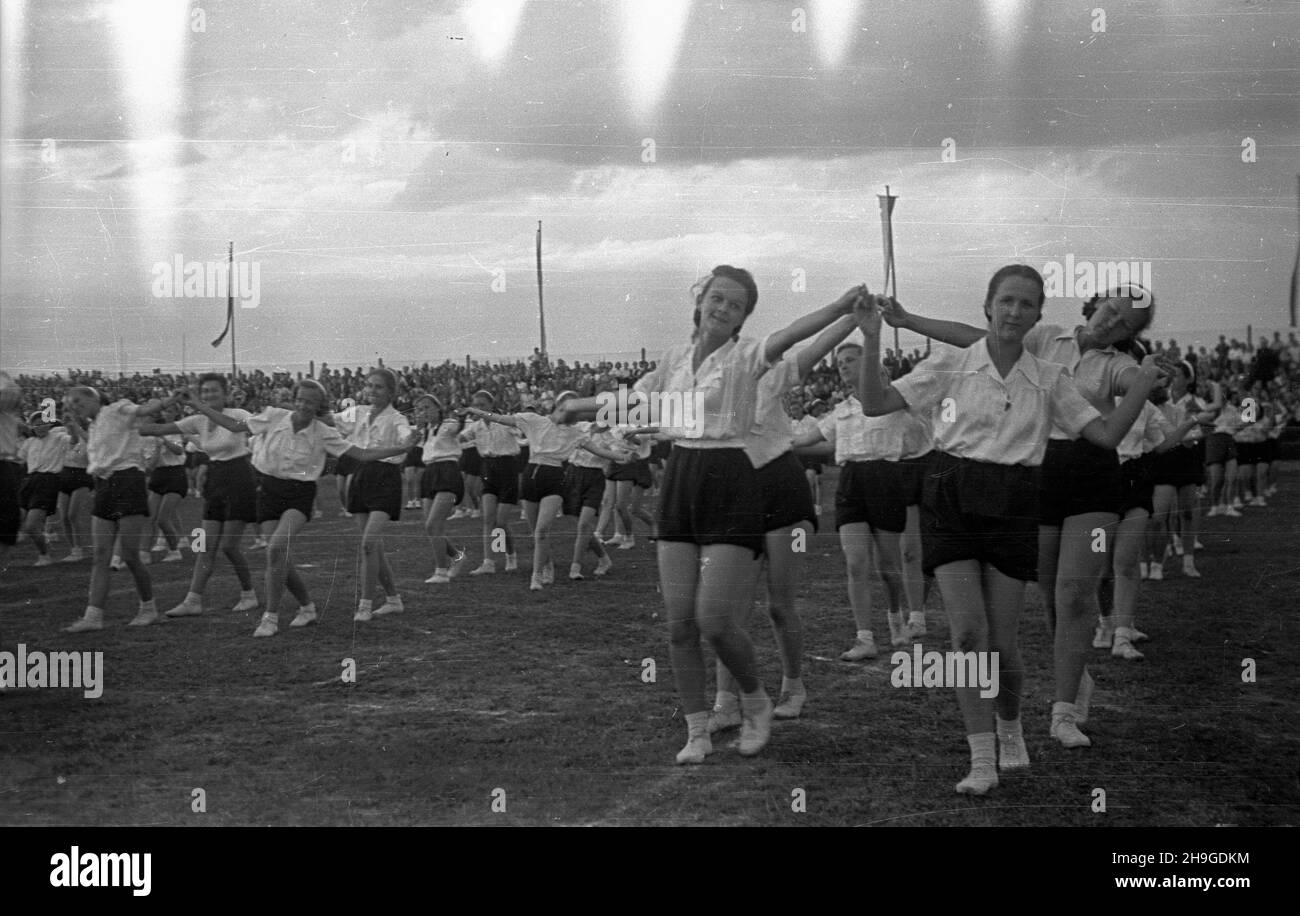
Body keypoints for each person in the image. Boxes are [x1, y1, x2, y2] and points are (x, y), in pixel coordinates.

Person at [859, 266, 1162, 793]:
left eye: (1026, 305)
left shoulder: (1049, 376)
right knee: (967, 634)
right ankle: (981, 759)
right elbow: (875, 403)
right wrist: (871, 336)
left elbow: (1109, 435)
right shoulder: (952, 364)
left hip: (1016, 500)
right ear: (989, 305)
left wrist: (1145, 381)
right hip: (950, 495)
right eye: (1006, 301)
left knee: (1000, 645)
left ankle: (1010, 725)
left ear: (1038, 315)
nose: (1014, 312)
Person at [563, 268, 866, 764]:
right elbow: (634, 402)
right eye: (716, 299)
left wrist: (842, 309)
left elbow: (796, 339)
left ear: (744, 317)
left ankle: (759, 697)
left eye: (736, 305)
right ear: (700, 301)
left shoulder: (751, 358)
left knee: (718, 617)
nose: (723, 309)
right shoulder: (674, 359)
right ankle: (698, 729)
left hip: (736, 478)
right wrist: (577, 407)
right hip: (683, 477)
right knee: (680, 624)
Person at [711, 307, 864, 728]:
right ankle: (726, 702)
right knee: (729, 609)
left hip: (783, 489)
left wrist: (853, 316)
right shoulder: (703, 387)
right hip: (736, 495)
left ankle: (793, 686)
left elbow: (815, 346)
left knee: (779, 604)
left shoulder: (768, 374)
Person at [182, 379, 415, 637]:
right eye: (301, 399)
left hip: (299, 495)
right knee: (277, 556)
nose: (304, 405)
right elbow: (235, 425)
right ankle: (307, 606)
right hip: (269, 490)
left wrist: (401, 448)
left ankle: (270, 617)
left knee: (276, 548)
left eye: (311, 402)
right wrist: (199, 405)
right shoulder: (274, 416)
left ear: (318, 407)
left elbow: (361, 454)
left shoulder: (323, 432)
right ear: (295, 399)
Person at [792, 343, 930, 660]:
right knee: (855, 563)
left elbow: (922, 437)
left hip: (887, 479)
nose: (843, 366)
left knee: (889, 569)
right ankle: (864, 638)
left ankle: (896, 614)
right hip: (851, 481)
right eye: (840, 361)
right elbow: (808, 441)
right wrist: (769, 442)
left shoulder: (897, 403)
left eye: (851, 360)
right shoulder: (842, 411)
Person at [61, 386, 188, 632]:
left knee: (130, 555)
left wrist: (170, 400)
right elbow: (95, 452)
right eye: (69, 404)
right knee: (100, 555)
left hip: (128, 481)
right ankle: (93, 616)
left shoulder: (117, 408)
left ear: (94, 397)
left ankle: (148, 609)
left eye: (78, 400)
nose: (74, 406)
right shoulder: (95, 424)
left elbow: (146, 409)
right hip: (104, 484)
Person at [138, 373, 259, 618]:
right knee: (204, 545)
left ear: (225, 393)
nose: (208, 395)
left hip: (239, 477)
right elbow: (152, 428)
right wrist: (171, 401)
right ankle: (193, 600)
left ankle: (249, 594)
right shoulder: (197, 420)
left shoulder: (239, 414)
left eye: (214, 391)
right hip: (216, 478)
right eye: (204, 391)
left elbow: (237, 427)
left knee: (229, 546)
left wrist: (198, 405)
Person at [334, 369, 413, 621]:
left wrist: (410, 439)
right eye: (369, 386)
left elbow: (405, 437)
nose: (372, 391)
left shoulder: (397, 418)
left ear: (391, 392)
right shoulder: (357, 413)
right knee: (373, 546)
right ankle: (393, 600)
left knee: (368, 543)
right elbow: (332, 420)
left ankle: (365, 604)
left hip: (385, 478)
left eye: (378, 387)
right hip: (360, 475)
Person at [413, 394, 469, 584]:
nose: (424, 412)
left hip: (447, 471)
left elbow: (458, 427)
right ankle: (458, 557)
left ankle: (441, 571)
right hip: (430, 472)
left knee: (433, 525)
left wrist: (461, 416)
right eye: (420, 409)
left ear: (438, 408)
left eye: (428, 407)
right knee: (430, 527)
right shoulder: (425, 430)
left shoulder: (448, 424)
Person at [464, 391, 521, 576]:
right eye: (476, 405)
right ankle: (489, 562)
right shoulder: (476, 426)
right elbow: (460, 437)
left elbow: (520, 431)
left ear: (491, 404)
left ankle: (510, 554)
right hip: (488, 468)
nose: (479, 409)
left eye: (483, 405)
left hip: (507, 468)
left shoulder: (504, 421)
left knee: (500, 521)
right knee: (488, 518)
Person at [16, 411, 69, 567]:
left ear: (49, 424)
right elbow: (17, 460)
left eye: (43, 423)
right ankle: (33, 539)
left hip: (48, 482)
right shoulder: (29, 442)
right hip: (30, 481)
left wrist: (73, 430)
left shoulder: (59, 438)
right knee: (14, 517)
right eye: (36, 424)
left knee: (31, 525)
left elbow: (75, 444)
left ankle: (44, 555)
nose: (40, 427)